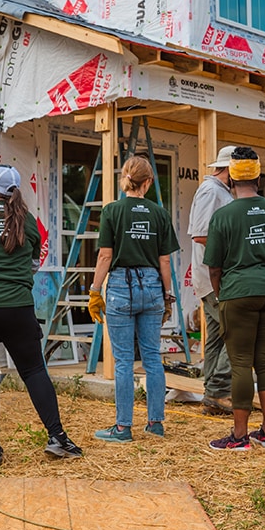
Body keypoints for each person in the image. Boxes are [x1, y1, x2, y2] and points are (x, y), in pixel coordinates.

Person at [0, 164, 83, 469]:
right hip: (15, 305)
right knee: (34, 371)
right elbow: (34, 264)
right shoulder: (28, 220)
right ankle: (58, 437)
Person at [202, 147, 265, 451]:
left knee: (240, 363)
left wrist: (221, 293)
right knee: (264, 360)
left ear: (231, 177)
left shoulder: (224, 216)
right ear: (258, 175)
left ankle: (240, 436)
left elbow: (214, 266)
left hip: (238, 291)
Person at [89, 156, 179, 442]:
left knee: (124, 360)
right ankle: (155, 424)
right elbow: (164, 261)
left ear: (124, 179)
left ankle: (123, 428)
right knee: (152, 357)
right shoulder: (159, 214)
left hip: (120, 287)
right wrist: (166, 295)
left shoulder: (112, 211)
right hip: (152, 285)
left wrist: (94, 290)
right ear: (148, 182)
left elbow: (105, 255)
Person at [188, 145, 236, 415]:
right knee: (237, 331)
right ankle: (218, 390)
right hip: (213, 277)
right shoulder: (211, 191)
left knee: (218, 336)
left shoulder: (221, 192)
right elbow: (200, 234)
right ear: (230, 169)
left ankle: (212, 394)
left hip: (215, 276)